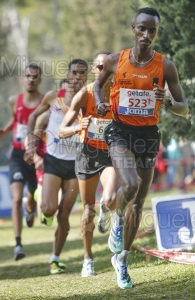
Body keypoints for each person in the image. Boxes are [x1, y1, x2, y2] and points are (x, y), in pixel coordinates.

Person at [93, 7, 189, 289]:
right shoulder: (115, 60)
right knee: (131, 184)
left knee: (138, 201)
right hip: (120, 131)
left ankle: (121, 260)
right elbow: (97, 87)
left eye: (152, 31)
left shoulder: (166, 66)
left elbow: (184, 109)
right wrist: (100, 103)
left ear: (156, 33)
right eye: (142, 29)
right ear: (133, 28)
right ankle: (117, 217)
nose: (146, 35)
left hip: (148, 134)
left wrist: (168, 102)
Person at [59, 51, 120, 277]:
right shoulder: (84, 95)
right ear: (95, 70)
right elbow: (61, 130)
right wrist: (78, 127)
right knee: (87, 210)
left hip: (109, 155)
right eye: (100, 67)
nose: (104, 71)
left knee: (111, 197)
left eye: (108, 68)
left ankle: (106, 208)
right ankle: (88, 259)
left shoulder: (118, 93)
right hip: (87, 155)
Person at [24, 59, 88, 274]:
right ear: (68, 75)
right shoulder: (54, 98)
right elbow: (33, 117)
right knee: (49, 209)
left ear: (86, 77)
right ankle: (41, 199)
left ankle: (55, 258)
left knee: (64, 215)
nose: (78, 76)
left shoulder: (89, 100)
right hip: (53, 160)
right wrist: (31, 145)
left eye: (82, 73)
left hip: (75, 164)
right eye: (74, 73)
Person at [0, 63, 43, 260]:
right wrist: (4, 131)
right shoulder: (14, 100)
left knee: (31, 199)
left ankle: (29, 211)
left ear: (39, 80)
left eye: (35, 76)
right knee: (15, 198)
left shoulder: (44, 101)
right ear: (22, 79)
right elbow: (16, 121)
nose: (31, 79)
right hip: (16, 154)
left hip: (35, 156)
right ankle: (18, 244)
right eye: (28, 76)